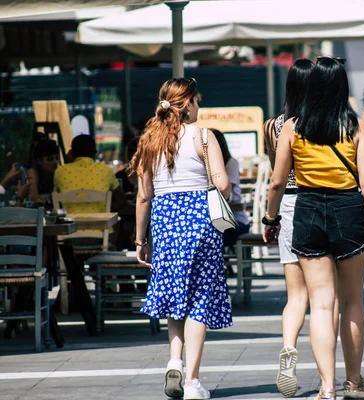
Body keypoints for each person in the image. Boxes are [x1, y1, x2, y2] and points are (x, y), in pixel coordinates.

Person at [263, 56, 364, 400]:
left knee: (319, 304)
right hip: (349, 211)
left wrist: (271, 219)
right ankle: (354, 381)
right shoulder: (357, 126)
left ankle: (327, 388)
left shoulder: (293, 127)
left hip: (308, 209)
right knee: (351, 302)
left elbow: (276, 183)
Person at [130, 77, 232, 400]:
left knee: (176, 296)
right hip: (200, 219)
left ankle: (174, 361)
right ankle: (192, 382)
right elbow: (223, 183)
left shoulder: (149, 140)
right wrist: (217, 191)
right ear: (186, 104)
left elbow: (143, 197)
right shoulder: (204, 137)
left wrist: (139, 240)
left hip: (164, 221)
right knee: (199, 298)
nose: (199, 105)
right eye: (197, 100)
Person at [264, 59, 317, 398]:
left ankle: (287, 348)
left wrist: (270, 218)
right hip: (319, 202)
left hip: (287, 204)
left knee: (295, 295)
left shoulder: (275, 125)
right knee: (326, 296)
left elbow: (276, 176)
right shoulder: (323, 120)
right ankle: (336, 373)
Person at [54, 135, 127, 214]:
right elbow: (122, 200)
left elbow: (56, 201)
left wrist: (67, 162)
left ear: (71, 153)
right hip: (101, 225)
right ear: (95, 153)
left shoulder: (60, 172)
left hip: (71, 225)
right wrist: (105, 208)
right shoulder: (106, 170)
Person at [211, 128, 251, 246]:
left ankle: (219, 263)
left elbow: (226, 189)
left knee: (213, 234)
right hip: (220, 220)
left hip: (236, 221)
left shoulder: (231, 163)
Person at [27, 139, 60, 206]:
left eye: (57, 158)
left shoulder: (59, 173)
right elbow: (34, 197)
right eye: (50, 159)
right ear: (39, 160)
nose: (55, 162)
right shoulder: (33, 172)